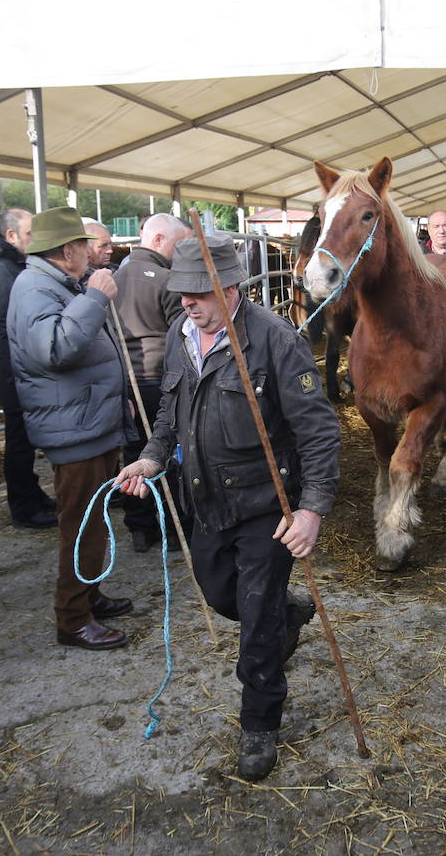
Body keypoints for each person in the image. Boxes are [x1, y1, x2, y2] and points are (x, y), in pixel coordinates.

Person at [115, 232, 340, 781]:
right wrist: (150, 458)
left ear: (231, 287)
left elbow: (319, 430)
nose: (187, 301)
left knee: (256, 623)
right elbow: (170, 412)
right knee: (221, 594)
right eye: (182, 290)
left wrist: (311, 509)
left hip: (268, 504)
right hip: (206, 499)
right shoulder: (180, 334)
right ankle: (287, 613)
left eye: (199, 291)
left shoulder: (274, 339)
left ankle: (260, 722)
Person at [7, 207, 138, 652]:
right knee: (81, 523)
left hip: (88, 421)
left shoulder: (56, 284)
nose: (91, 253)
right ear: (68, 250)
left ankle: (89, 594)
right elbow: (55, 348)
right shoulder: (33, 288)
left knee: (95, 518)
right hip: (73, 428)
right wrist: (95, 297)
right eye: (85, 245)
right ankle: (72, 617)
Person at [0, 207, 57, 529]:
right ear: (10, 236)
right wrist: (11, 374)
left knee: (25, 435)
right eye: (30, 234)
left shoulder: (11, 264)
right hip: (12, 370)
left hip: (18, 368)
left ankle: (32, 494)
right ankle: (24, 507)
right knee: (19, 437)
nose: (36, 241)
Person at [112, 213, 190, 553]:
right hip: (160, 380)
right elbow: (181, 337)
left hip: (125, 381)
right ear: (158, 239)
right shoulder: (167, 279)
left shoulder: (112, 277)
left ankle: (139, 526)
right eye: (177, 243)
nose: (180, 251)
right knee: (167, 452)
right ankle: (172, 529)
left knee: (134, 451)